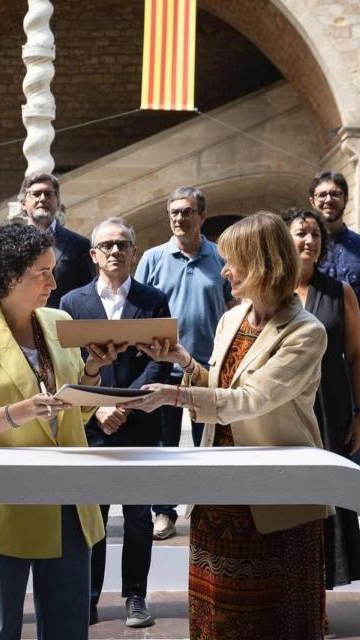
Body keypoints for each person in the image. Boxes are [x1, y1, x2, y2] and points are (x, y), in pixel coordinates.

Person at [121, 212, 329, 639]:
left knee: (276, 616)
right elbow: (217, 383)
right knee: (216, 612)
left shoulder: (306, 331)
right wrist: (180, 361)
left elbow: (251, 401)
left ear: (262, 263)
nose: (225, 269)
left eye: (234, 260)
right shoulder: (231, 318)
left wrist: (173, 396)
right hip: (220, 490)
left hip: (273, 495)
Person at [0, 223, 120, 640]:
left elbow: (76, 396)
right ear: (9, 277)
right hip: (3, 505)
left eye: (52, 270)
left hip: (67, 501)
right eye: (42, 273)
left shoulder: (59, 320)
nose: (53, 282)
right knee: (1, 631)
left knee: (68, 630)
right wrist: (23, 411)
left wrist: (93, 370)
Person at [59, 217, 171, 629]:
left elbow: (161, 358)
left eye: (123, 245)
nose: (115, 251)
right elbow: (69, 363)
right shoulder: (72, 303)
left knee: (139, 515)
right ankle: (88, 597)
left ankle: (135, 597)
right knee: (95, 514)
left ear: (134, 252)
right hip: (91, 423)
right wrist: (99, 406)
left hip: (138, 421)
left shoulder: (154, 299)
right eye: (106, 245)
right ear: (93, 254)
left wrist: (124, 404)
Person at [135, 186, 234, 540]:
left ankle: (209, 511)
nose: (179, 218)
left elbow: (232, 308)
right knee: (162, 446)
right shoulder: (152, 258)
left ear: (201, 217)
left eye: (187, 212)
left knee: (208, 443)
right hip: (163, 370)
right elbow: (140, 310)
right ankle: (163, 511)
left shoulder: (220, 259)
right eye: (174, 212)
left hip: (207, 370)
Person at [283, 207, 360, 597]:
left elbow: (355, 356)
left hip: (330, 408)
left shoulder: (340, 292)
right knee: (291, 499)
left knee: (328, 500)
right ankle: (290, 587)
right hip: (285, 409)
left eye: (316, 234)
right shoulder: (271, 290)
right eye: (301, 233)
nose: (309, 241)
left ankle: (319, 593)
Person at [310, 171, 360, 475]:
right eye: (322, 194)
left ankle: (358, 512)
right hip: (313, 350)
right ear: (312, 200)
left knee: (358, 431)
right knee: (315, 427)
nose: (329, 199)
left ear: (345, 198)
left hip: (359, 354)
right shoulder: (301, 247)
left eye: (335, 193)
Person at [18, 172, 95, 308]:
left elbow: (88, 295)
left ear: (58, 202)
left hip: (63, 324)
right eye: (36, 194)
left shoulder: (79, 245)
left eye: (48, 194)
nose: (42, 199)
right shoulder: (13, 244)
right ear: (24, 203)